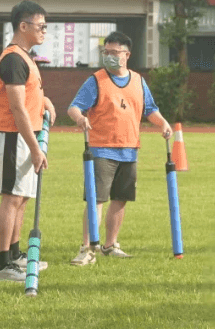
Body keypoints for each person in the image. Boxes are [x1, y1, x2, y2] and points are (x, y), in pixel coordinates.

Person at [66, 31, 173, 265]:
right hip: (101, 149)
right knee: (97, 199)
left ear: (127, 55)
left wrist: (163, 122)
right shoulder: (96, 80)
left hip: (129, 148)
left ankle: (110, 244)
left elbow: (149, 109)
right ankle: (87, 248)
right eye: (106, 52)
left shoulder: (138, 81)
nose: (110, 56)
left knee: (121, 198)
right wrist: (80, 119)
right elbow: (74, 107)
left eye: (114, 52)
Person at [0, 0, 56, 282]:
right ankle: (2, 265)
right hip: (12, 136)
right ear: (23, 26)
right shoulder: (14, 59)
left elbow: (28, 97)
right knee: (11, 198)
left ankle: (16, 256)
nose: (44, 31)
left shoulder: (25, 58)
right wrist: (34, 147)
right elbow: (16, 107)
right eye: (40, 26)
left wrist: (45, 102)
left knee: (22, 198)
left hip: (24, 137)